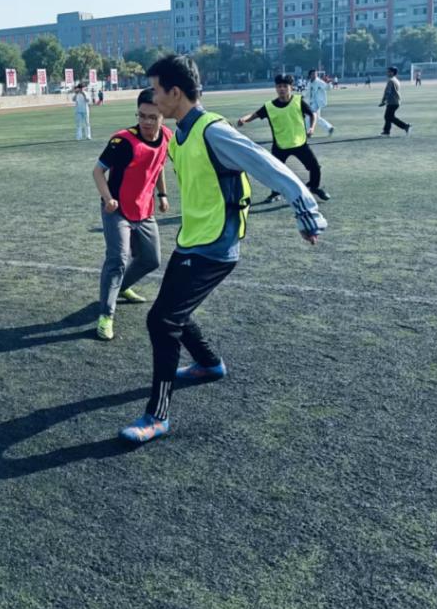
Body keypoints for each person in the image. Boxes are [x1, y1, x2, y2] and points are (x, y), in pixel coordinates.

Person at [118, 55, 326, 444]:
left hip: (215, 246)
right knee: (171, 312)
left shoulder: (213, 131)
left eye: (157, 90)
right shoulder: (180, 134)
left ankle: (157, 416)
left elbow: (267, 165)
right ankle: (209, 363)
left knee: (162, 321)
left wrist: (306, 212)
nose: (152, 98)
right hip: (192, 240)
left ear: (174, 93)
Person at [92, 88, 171, 341]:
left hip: (144, 209)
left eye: (153, 117)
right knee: (117, 259)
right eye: (142, 116)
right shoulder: (123, 141)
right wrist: (108, 199)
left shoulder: (167, 136)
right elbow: (97, 172)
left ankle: (122, 287)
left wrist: (162, 194)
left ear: (163, 116)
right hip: (117, 210)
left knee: (151, 259)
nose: (146, 122)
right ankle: (106, 315)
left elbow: (159, 165)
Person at [237, 75, 330, 202]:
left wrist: (312, 128)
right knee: (274, 171)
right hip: (280, 145)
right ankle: (275, 193)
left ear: (291, 87)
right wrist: (244, 119)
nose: (282, 89)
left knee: (315, 167)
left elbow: (312, 114)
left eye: (285, 86)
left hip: (299, 143)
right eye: (279, 86)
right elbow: (255, 115)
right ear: (276, 88)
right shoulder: (269, 106)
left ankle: (314, 187)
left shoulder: (298, 101)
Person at [379, 66, 411, 137]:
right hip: (396, 101)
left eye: (388, 71)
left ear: (392, 73)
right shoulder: (396, 80)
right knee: (389, 117)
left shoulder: (391, 81)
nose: (387, 73)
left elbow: (387, 92)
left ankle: (404, 126)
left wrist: (383, 101)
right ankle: (387, 131)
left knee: (388, 117)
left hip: (392, 102)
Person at [304, 69, 335, 137]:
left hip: (317, 103)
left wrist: (329, 83)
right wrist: (302, 96)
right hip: (311, 102)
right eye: (313, 74)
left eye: (316, 74)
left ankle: (308, 132)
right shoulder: (310, 82)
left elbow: (327, 88)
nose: (315, 75)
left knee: (309, 116)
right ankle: (329, 128)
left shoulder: (319, 82)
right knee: (317, 118)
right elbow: (307, 92)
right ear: (310, 75)